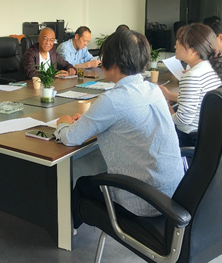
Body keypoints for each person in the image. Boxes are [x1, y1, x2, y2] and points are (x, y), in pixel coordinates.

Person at [54, 30, 184, 228]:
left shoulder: (113, 100)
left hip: (144, 201)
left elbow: (71, 138)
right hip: (174, 195)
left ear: (113, 62)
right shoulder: (153, 90)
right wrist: (89, 120)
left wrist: (63, 123)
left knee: (83, 185)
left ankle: (66, 232)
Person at [160, 24, 222, 147]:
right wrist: (168, 95)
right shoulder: (212, 67)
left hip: (190, 137)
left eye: (178, 43)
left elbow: (182, 121)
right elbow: (199, 99)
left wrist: (165, 105)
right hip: (209, 134)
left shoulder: (192, 76)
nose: (175, 46)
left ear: (194, 51)